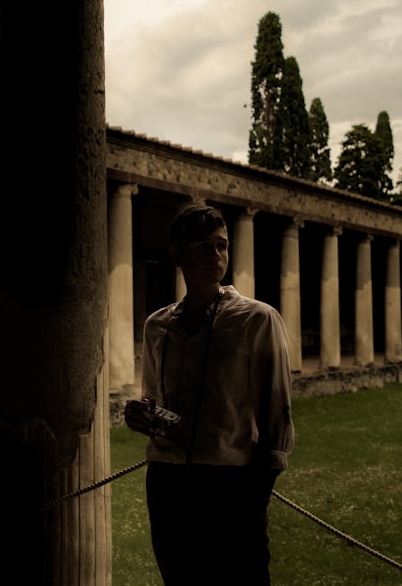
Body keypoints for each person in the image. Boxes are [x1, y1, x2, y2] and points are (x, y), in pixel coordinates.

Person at [125, 203, 295, 585]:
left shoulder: (257, 319)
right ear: (177, 255)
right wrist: (144, 419)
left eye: (221, 245)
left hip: (231, 485)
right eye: (203, 246)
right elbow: (158, 407)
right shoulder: (157, 326)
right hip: (167, 482)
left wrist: (256, 498)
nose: (214, 255)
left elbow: (276, 416)